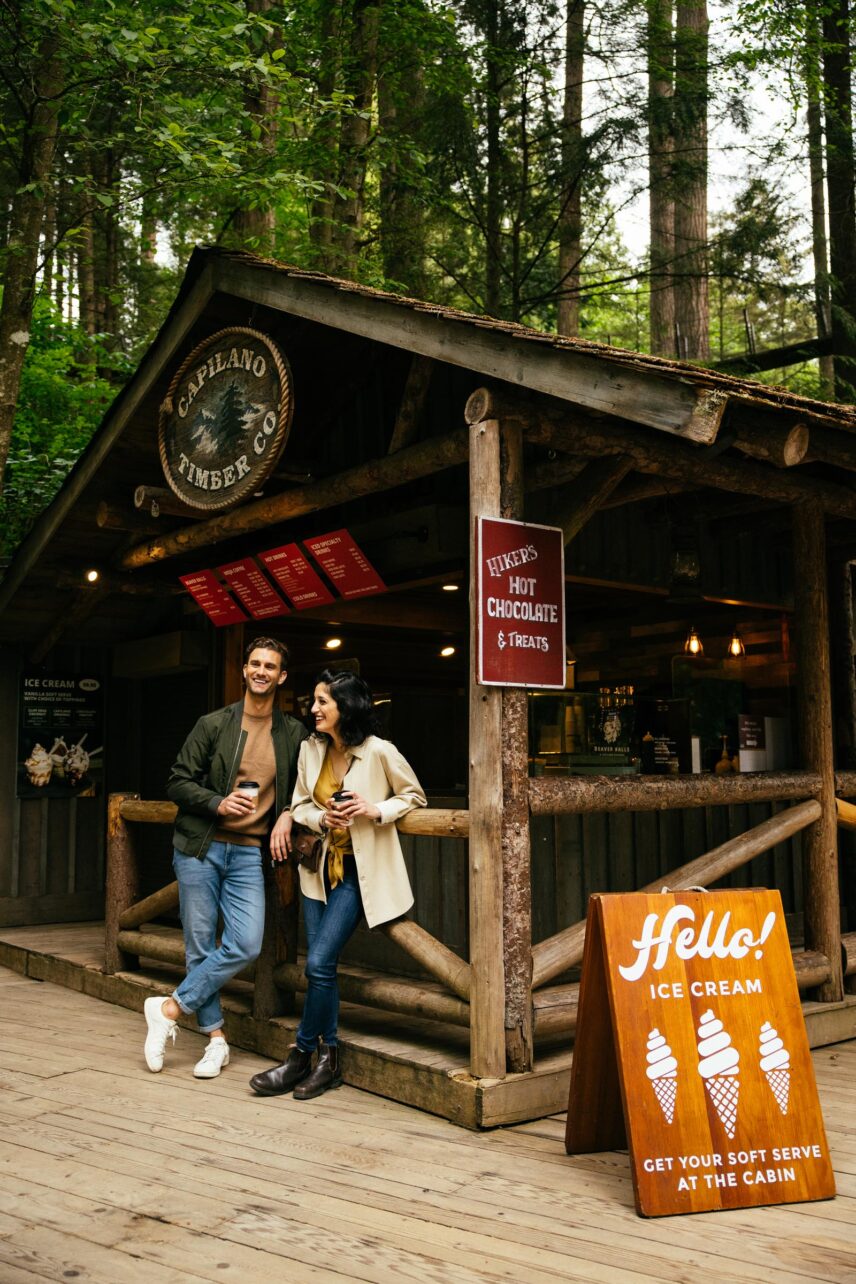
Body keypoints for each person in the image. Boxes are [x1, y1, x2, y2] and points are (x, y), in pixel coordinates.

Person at [250, 669, 426, 1101]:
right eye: (314, 701)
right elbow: (299, 803)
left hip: (356, 874)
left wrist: (374, 808)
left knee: (317, 964)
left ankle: (299, 1056)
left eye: (321, 702)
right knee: (322, 968)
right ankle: (328, 1060)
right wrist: (319, 818)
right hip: (317, 870)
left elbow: (414, 797)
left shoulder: (380, 751)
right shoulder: (312, 749)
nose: (313, 709)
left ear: (344, 706)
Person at [143, 636, 308, 1079]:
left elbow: (304, 788)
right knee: (200, 945)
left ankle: (167, 1009)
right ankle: (216, 1041)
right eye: (254, 663)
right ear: (244, 670)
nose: (261, 671)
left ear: (282, 676)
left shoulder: (293, 733)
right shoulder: (213, 724)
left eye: (270, 666)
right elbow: (177, 781)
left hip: (249, 852)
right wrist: (218, 802)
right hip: (200, 846)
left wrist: (288, 814)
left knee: (246, 944)